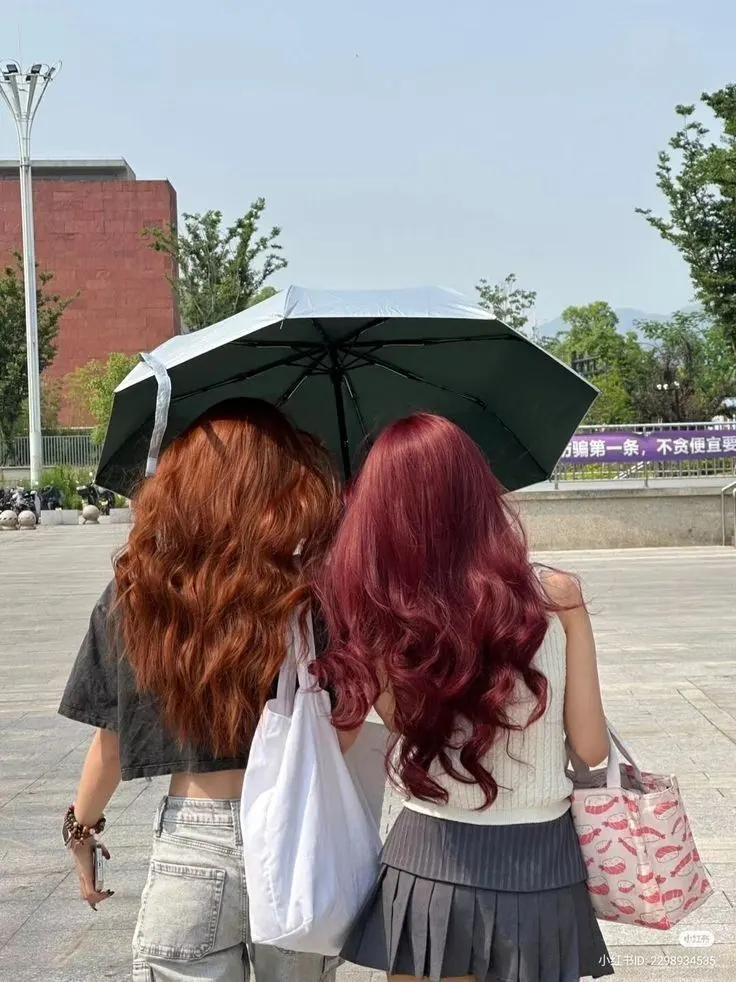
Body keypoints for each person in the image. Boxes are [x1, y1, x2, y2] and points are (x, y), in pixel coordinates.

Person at [315, 413, 614, 982]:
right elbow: (592, 746)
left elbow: (398, 724)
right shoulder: (555, 594)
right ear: (477, 489)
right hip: (540, 863)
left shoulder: (385, 613)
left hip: (429, 859)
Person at [58, 398, 341, 982]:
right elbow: (348, 721)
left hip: (195, 836)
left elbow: (110, 745)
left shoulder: (140, 594)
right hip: (296, 838)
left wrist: (81, 831)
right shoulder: (309, 598)